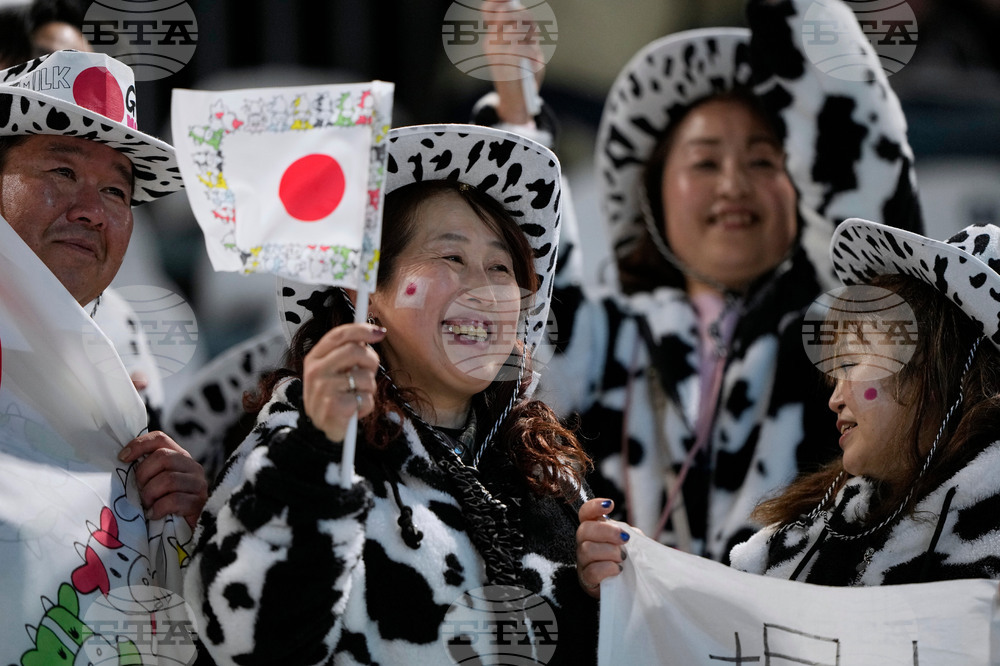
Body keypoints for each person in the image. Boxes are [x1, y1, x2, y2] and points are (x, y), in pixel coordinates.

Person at [481, 0, 924, 562]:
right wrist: (517, 114)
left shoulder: (838, 335)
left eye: (765, 161)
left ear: (805, 190)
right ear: (654, 195)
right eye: (705, 162)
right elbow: (528, 300)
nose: (734, 184)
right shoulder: (601, 338)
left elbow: (870, 185)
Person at [186, 124, 600, 665]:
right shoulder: (302, 442)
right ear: (367, 293)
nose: (483, 286)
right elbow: (251, 644)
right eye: (451, 258)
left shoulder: (545, 468)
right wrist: (319, 453)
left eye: (501, 267)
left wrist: (597, 593)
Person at [578, 218, 1000, 590]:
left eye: (854, 361)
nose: (835, 398)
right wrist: (631, 580)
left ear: (937, 368)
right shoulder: (797, 542)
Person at [0, 49, 205, 661]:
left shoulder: (123, 407)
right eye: (61, 171)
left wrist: (188, 531)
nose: (91, 210)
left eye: (116, 190)